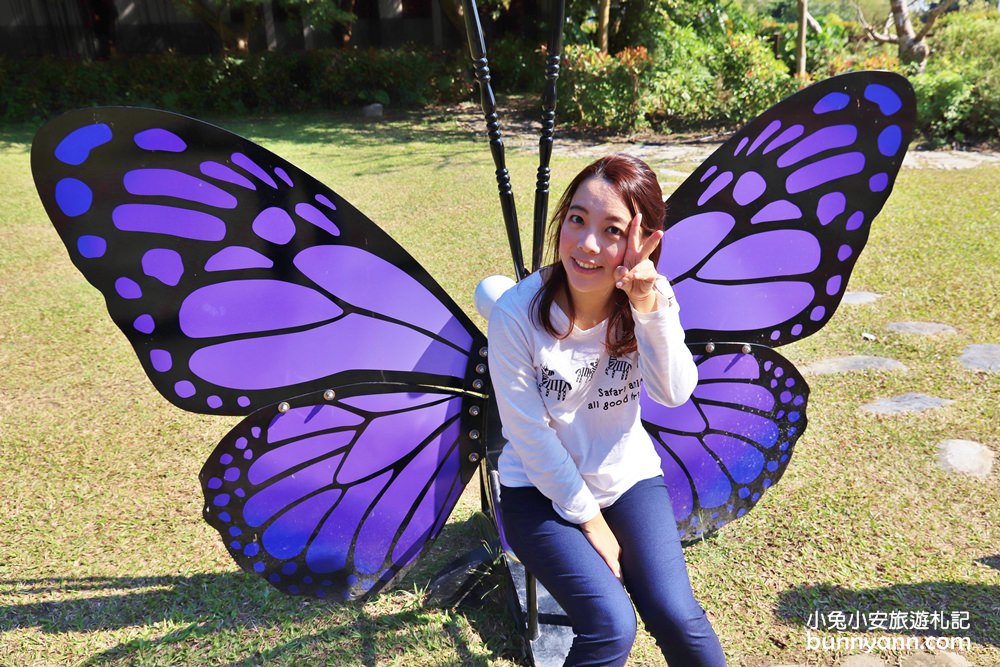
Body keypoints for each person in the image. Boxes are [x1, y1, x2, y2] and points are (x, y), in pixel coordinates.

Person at [488, 154, 727, 666]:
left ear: (643, 242)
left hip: (626, 477)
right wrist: (592, 521)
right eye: (577, 219)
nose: (588, 245)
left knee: (675, 614)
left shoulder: (648, 298)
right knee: (611, 624)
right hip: (536, 489)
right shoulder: (516, 313)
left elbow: (675, 391)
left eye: (612, 230)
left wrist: (647, 307)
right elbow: (528, 436)